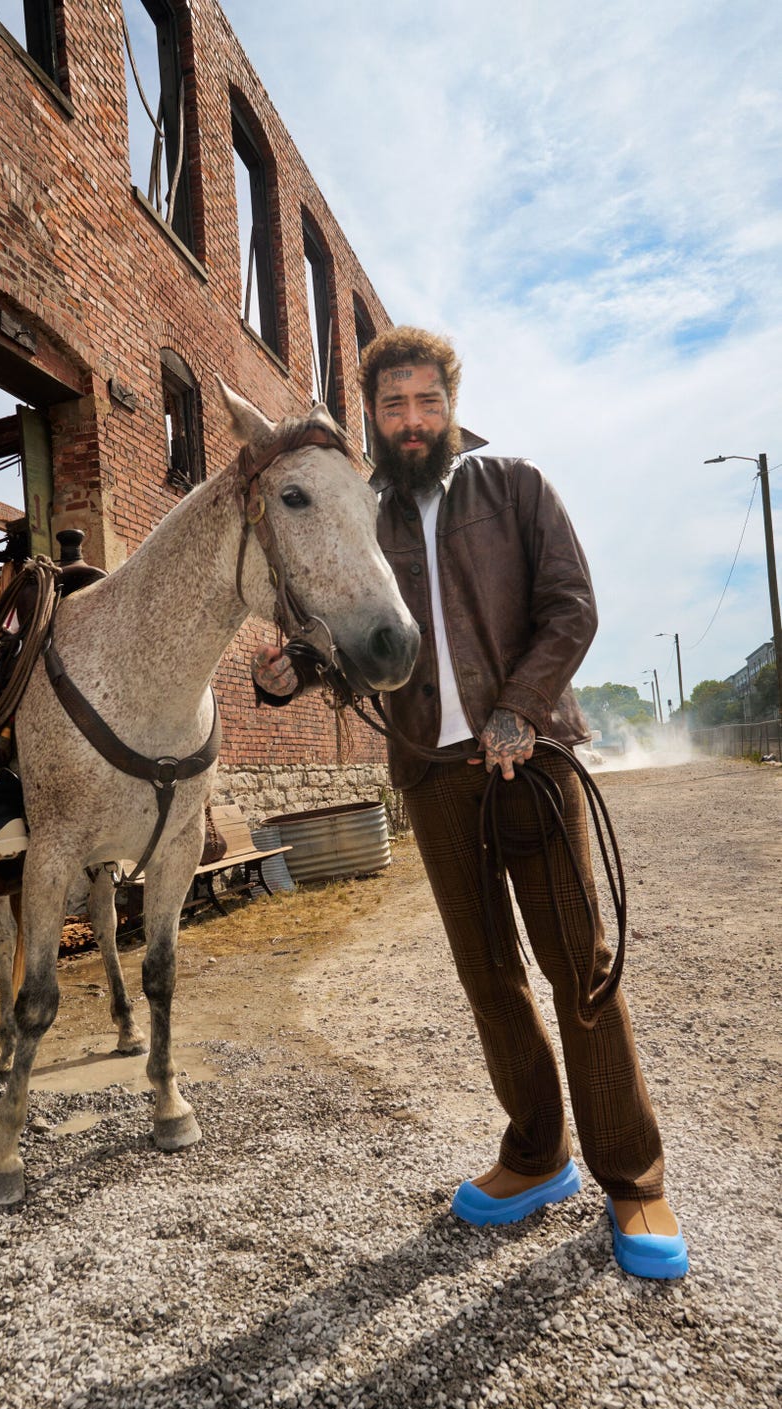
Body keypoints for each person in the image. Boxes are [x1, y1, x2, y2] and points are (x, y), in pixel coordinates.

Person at [253, 325, 687, 1279]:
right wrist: (293, 671)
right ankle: (537, 1153)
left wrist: (520, 712)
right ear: (371, 415)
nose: (412, 421)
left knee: (582, 964)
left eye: (427, 402)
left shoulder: (515, 487)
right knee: (489, 977)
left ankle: (633, 1175)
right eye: (393, 405)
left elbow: (571, 606)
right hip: (431, 779)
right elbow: (348, 638)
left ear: (451, 405)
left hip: (527, 763)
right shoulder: (361, 514)